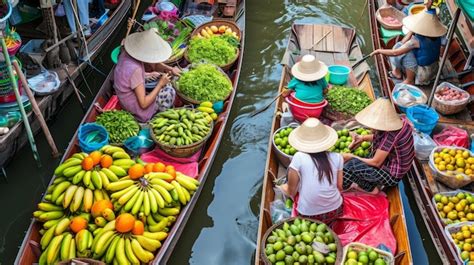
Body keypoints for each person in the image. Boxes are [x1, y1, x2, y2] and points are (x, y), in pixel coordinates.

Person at [342, 98, 415, 194]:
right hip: (391, 162)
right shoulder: (402, 121)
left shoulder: (391, 135)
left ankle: (371, 189)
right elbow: (382, 139)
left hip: (393, 174)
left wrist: (351, 156)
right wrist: (362, 138)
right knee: (353, 164)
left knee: (350, 165)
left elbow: (376, 162)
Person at [278, 118, 344, 224]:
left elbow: (291, 191)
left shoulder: (299, 157)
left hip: (308, 215)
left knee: (285, 186)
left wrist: (283, 188)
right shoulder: (338, 157)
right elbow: (340, 186)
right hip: (336, 211)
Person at [114, 29, 179, 123]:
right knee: (169, 90)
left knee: (162, 81)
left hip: (125, 100)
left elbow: (155, 65)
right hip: (136, 111)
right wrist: (160, 84)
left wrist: (170, 69)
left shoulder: (125, 53)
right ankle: (155, 117)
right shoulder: (135, 69)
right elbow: (143, 104)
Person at [370, 8, 447, 85]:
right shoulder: (437, 35)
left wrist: (379, 51)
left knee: (402, 49)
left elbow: (395, 52)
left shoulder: (415, 41)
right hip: (434, 69)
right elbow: (403, 42)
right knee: (400, 45)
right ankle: (397, 72)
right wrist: (413, 30)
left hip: (423, 75)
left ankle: (409, 80)